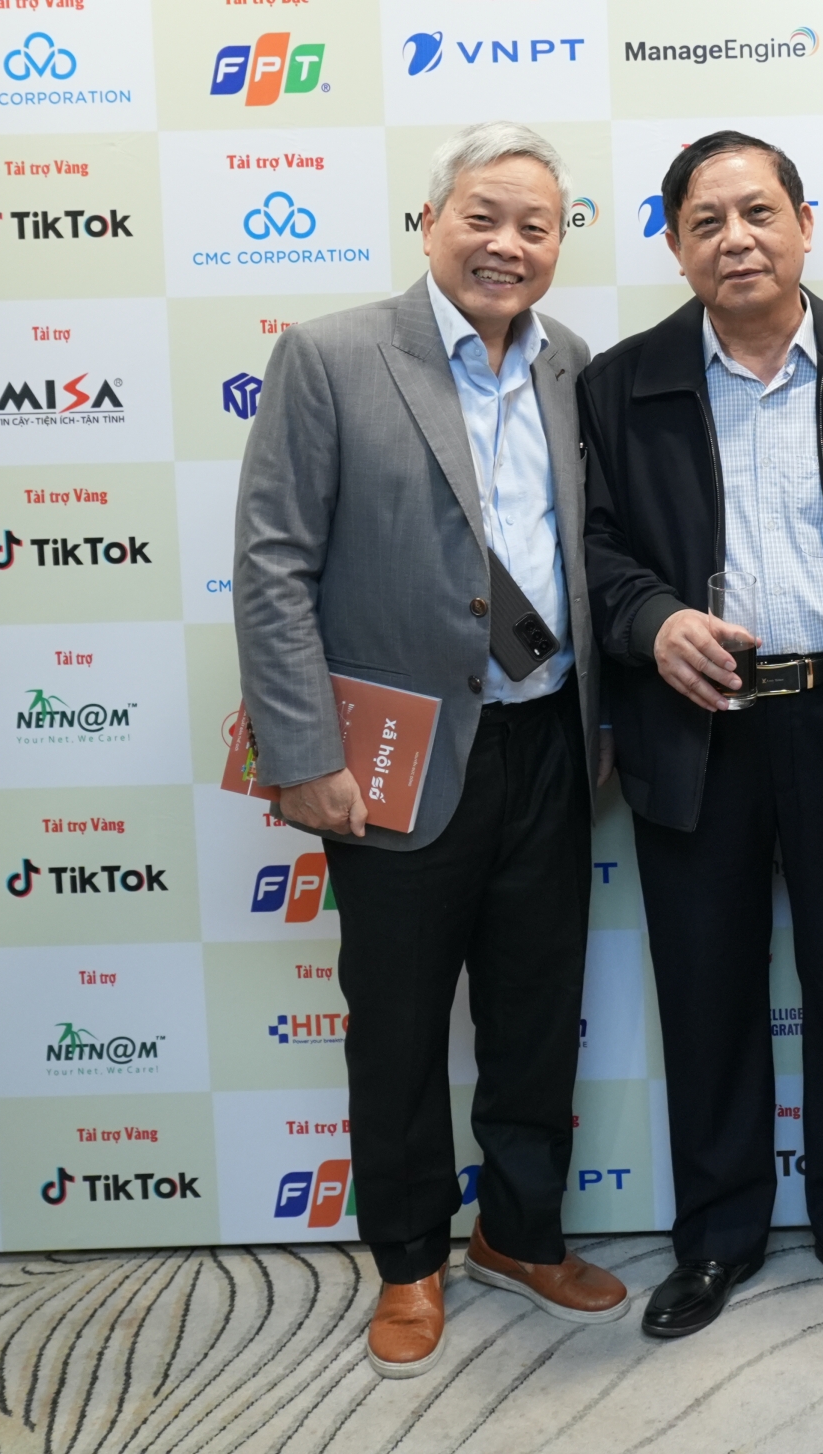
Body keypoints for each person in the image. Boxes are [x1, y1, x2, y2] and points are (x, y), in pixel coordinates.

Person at [233, 122, 628, 1376]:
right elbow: (272, 564)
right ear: (430, 221)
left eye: (535, 225)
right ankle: (408, 1257)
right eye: (483, 216)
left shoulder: (569, 363)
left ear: (559, 243)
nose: (508, 244)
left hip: (548, 739)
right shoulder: (332, 354)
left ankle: (520, 1233)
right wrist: (304, 750)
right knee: (399, 1024)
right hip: (395, 757)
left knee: (535, 1012)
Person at [580, 131, 823, 1339]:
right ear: (674, 245)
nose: (737, 239)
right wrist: (652, 619)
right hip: (696, 722)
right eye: (707, 221)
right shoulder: (619, 382)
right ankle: (717, 1236)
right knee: (706, 988)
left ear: (805, 224)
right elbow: (589, 548)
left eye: (760, 212)